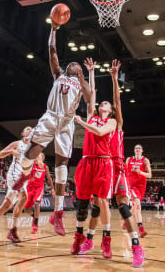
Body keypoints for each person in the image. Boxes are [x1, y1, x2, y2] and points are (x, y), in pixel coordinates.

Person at [12, 23, 90, 236]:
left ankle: (58, 212)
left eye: (77, 64)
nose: (73, 63)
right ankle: (25, 175)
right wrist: (54, 29)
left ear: (79, 72)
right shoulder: (58, 75)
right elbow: (52, 51)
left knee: (62, 164)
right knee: (29, 155)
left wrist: (85, 78)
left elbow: (91, 99)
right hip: (50, 116)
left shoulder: (81, 85)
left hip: (66, 122)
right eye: (71, 63)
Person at [71, 57, 117, 259]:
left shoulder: (113, 122)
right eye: (102, 102)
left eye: (107, 103)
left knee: (103, 201)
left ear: (110, 110)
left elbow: (99, 132)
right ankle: (79, 237)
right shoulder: (92, 115)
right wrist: (91, 72)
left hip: (103, 163)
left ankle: (106, 240)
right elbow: (91, 96)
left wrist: (81, 123)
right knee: (82, 203)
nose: (103, 103)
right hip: (86, 161)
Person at [109, 60, 144, 267]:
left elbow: (117, 101)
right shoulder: (100, 128)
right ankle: (90, 239)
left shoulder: (118, 127)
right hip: (102, 169)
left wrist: (114, 78)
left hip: (117, 167)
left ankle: (136, 246)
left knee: (123, 207)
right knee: (97, 205)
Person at [24, 152, 55, 233]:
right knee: (26, 209)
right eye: (36, 156)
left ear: (42, 158)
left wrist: (52, 188)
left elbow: (49, 178)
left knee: (37, 203)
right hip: (30, 187)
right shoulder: (32, 164)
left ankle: (35, 225)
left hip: (39, 187)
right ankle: (35, 217)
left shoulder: (45, 167)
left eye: (39, 156)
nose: (37, 157)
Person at [126, 144, 152, 239]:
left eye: (139, 148)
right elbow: (125, 171)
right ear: (134, 150)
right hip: (131, 185)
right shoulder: (129, 159)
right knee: (137, 205)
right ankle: (141, 229)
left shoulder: (145, 160)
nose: (137, 149)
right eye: (136, 148)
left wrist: (140, 172)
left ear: (142, 150)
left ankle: (126, 218)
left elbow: (149, 175)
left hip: (141, 186)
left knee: (134, 209)